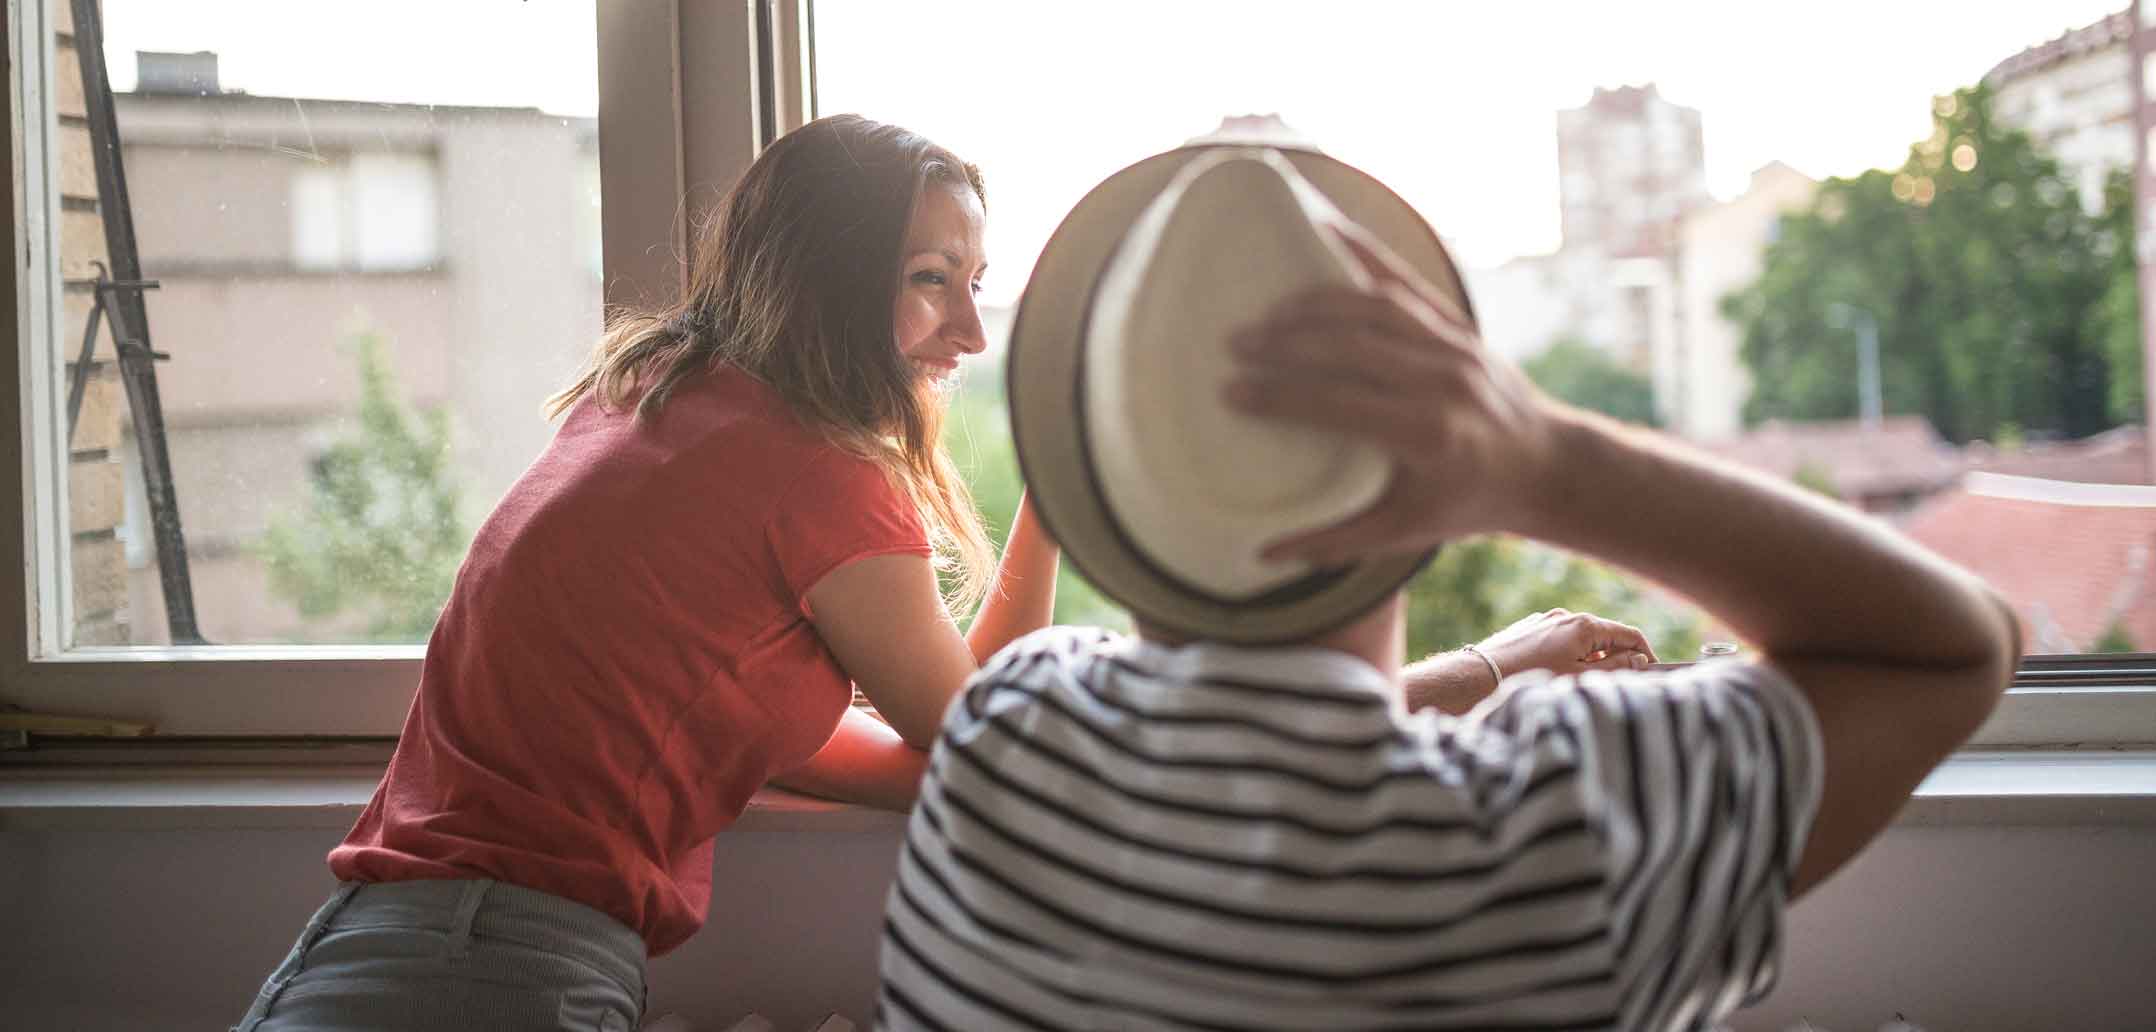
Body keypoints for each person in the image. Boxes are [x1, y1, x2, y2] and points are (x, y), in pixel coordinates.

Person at [876, 142, 2017, 1030]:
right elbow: (1962, 646)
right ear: (1436, 485)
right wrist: (1545, 464)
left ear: (1098, 494)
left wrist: (1489, 664)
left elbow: (1244, 760)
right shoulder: (1548, 840)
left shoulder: (1006, 733)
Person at [232, 114, 1065, 1032]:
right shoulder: (817, 472)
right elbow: (985, 730)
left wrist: (953, 760)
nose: (972, 333)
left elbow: (782, 734)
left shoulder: (649, 394)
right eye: (930, 280)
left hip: (376, 941)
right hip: (502, 967)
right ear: (826, 277)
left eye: (975, 283)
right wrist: (1060, 489)